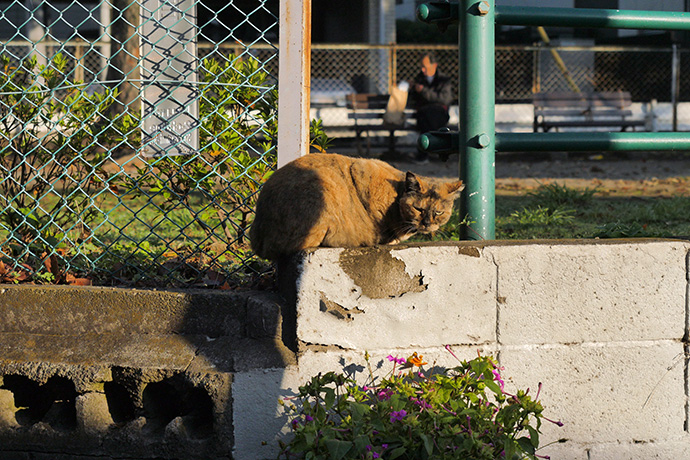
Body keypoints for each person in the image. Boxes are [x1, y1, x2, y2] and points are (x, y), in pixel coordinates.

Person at [410, 53, 453, 163]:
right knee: (428, 116)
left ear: (434, 65)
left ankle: (423, 153)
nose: (423, 70)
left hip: (438, 114)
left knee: (429, 117)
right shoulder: (418, 79)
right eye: (422, 67)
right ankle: (437, 151)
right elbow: (414, 100)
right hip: (425, 114)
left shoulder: (443, 80)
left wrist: (423, 91)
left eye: (425, 67)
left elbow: (445, 99)